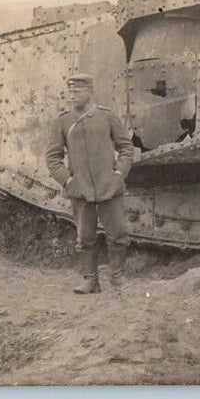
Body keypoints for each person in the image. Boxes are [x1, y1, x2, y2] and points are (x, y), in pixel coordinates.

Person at [45, 73, 134, 293]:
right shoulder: (63, 121)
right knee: (85, 236)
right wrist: (68, 180)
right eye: (70, 92)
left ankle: (117, 278)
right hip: (80, 189)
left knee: (118, 233)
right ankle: (90, 280)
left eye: (77, 92)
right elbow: (52, 157)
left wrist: (119, 174)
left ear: (90, 92)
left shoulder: (107, 117)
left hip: (109, 186)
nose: (72, 96)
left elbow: (126, 148)